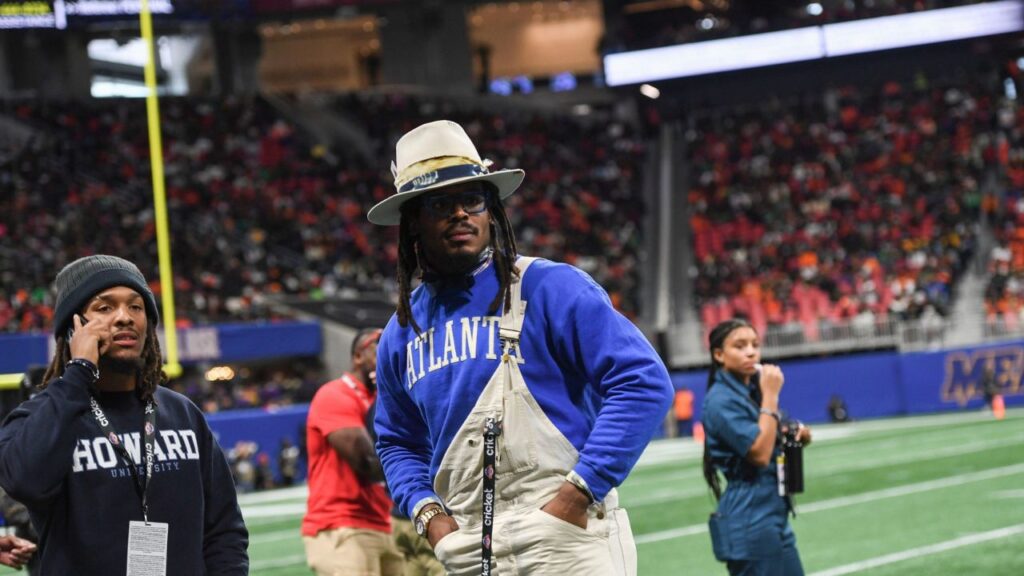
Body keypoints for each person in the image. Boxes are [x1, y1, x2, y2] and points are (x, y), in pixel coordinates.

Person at [368, 120, 673, 575]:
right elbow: (396, 441)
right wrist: (430, 517)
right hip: (469, 543)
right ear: (413, 221)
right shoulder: (400, 331)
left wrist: (578, 494)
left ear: (491, 211)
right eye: (440, 204)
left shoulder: (551, 287)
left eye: (472, 200)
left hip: (567, 534)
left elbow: (643, 383)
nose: (460, 214)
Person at [0, 255, 249, 575]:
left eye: (136, 306)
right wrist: (79, 372)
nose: (124, 318)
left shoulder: (182, 414)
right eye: (104, 308)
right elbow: (25, 483)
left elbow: (224, 528)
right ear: (73, 326)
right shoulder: (38, 417)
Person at [702, 318, 812, 576]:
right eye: (740, 346)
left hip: (771, 516)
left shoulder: (749, 392)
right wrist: (771, 396)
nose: (751, 351)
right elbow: (760, 454)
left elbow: (771, 436)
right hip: (750, 520)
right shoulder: (720, 400)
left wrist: (795, 434)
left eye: (755, 344)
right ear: (719, 354)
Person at [302, 328, 404, 576]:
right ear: (358, 356)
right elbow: (367, 463)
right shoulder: (335, 394)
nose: (388, 351)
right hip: (342, 524)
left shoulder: (383, 399)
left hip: (384, 521)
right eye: (378, 345)